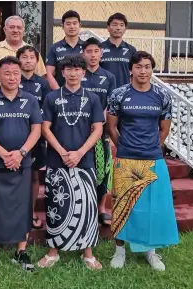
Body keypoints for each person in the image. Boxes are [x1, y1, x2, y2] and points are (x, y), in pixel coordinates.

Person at [106, 51, 179, 271]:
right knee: (122, 205)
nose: (143, 71)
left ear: (151, 69)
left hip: (152, 159)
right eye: (139, 67)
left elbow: (164, 129)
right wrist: (124, 146)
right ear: (131, 69)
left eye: (147, 66)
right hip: (126, 159)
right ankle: (120, 251)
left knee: (153, 207)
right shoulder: (118, 94)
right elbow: (111, 126)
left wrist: (151, 147)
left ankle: (151, 251)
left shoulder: (162, 96)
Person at [38, 55, 105, 270]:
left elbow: (98, 129)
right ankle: (53, 251)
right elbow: (45, 127)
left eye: (77, 69)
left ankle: (88, 253)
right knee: (56, 205)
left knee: (87, 206)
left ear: (83, 73)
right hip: (57, 161)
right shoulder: (52, 97)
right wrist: (63, 152)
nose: (73, 73)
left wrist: (79, 152)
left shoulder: (93, 98)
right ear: (62, 72)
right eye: (69, 69)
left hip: (85, 161)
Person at [0, 56, 42, 274]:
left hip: (22, 163)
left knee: (22, 206)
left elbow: (36, 129)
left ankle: (20, 251)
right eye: (7, 73)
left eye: (16, 73)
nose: (12, 77)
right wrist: (6, 155)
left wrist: (21, 153)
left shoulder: (30, 100)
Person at [81, 37, 116, 227]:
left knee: (103, 170)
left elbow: (110, 103)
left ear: (101, 53)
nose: (93, 55)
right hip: (79, 129)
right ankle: (84, 205)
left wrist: (98, 122)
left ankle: (101, 208)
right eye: (89, 51)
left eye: (96, 51)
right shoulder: (77, 73)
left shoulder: (109, 77)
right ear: (83, 54)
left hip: (100, 130)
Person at [16, 45, 51, 230]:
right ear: (18, 59)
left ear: (37, 62)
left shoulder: (42, 83)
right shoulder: (13, 79)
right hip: (16, 135)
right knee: (16, 176)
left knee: (35, 176)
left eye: (32, 57)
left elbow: (46, 110)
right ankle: (16, 214)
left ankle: (30, 213)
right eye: (24, 57)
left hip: (36, 137)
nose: (28, 60)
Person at [0, 15, 47, 90]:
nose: (15, 30)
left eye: (19, 27)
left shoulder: (32, 52)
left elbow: (41, 76)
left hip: (27, 98)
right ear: (5, 30)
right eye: (12, 27)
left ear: (23, 30)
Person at [45, 10, 84, 90]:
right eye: (68, 24)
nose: (72, 27)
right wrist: (59, 93)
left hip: (83, 95)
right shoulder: (54, 48)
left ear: (79, 25)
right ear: (62, 26)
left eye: (74, 23)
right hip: (61, 95)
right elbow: (49, 74)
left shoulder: (86, 47)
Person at [100, 13, 138, 86]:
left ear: (125, 28)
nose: (118, 28)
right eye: (115, 24)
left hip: (124, 93)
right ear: (108, 28)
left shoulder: (131, 50)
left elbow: (136, 72)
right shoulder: (99, 49)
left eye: (121, 25)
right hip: (104, 92)